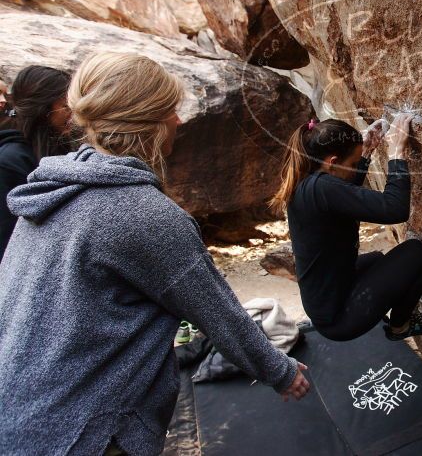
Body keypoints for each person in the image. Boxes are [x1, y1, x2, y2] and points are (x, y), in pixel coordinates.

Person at [0, 52, 309, 456]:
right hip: (83, 432)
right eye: (170, 111)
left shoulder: (52, 190)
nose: (179, 121)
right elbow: (218, 312)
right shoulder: (141, 214)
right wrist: (281, 372)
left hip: (20, 415)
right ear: (149, 121)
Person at [270, 114, 422, 342]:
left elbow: (344, 195)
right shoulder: (322, 189)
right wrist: (396, 152)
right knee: (415, 253)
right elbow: (394, 209)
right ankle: (401, 326)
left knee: (379, 260)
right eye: (352, 163)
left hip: (325, 302)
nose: (354, 168)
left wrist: (365, 154)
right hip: (338, 319)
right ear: (332, 163)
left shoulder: (307, 180)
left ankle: (393, 317)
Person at [0, 66, 73, 259]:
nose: (73, 114)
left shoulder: (59, 149)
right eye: (65, 106)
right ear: (43, 109)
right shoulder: (9, 161)